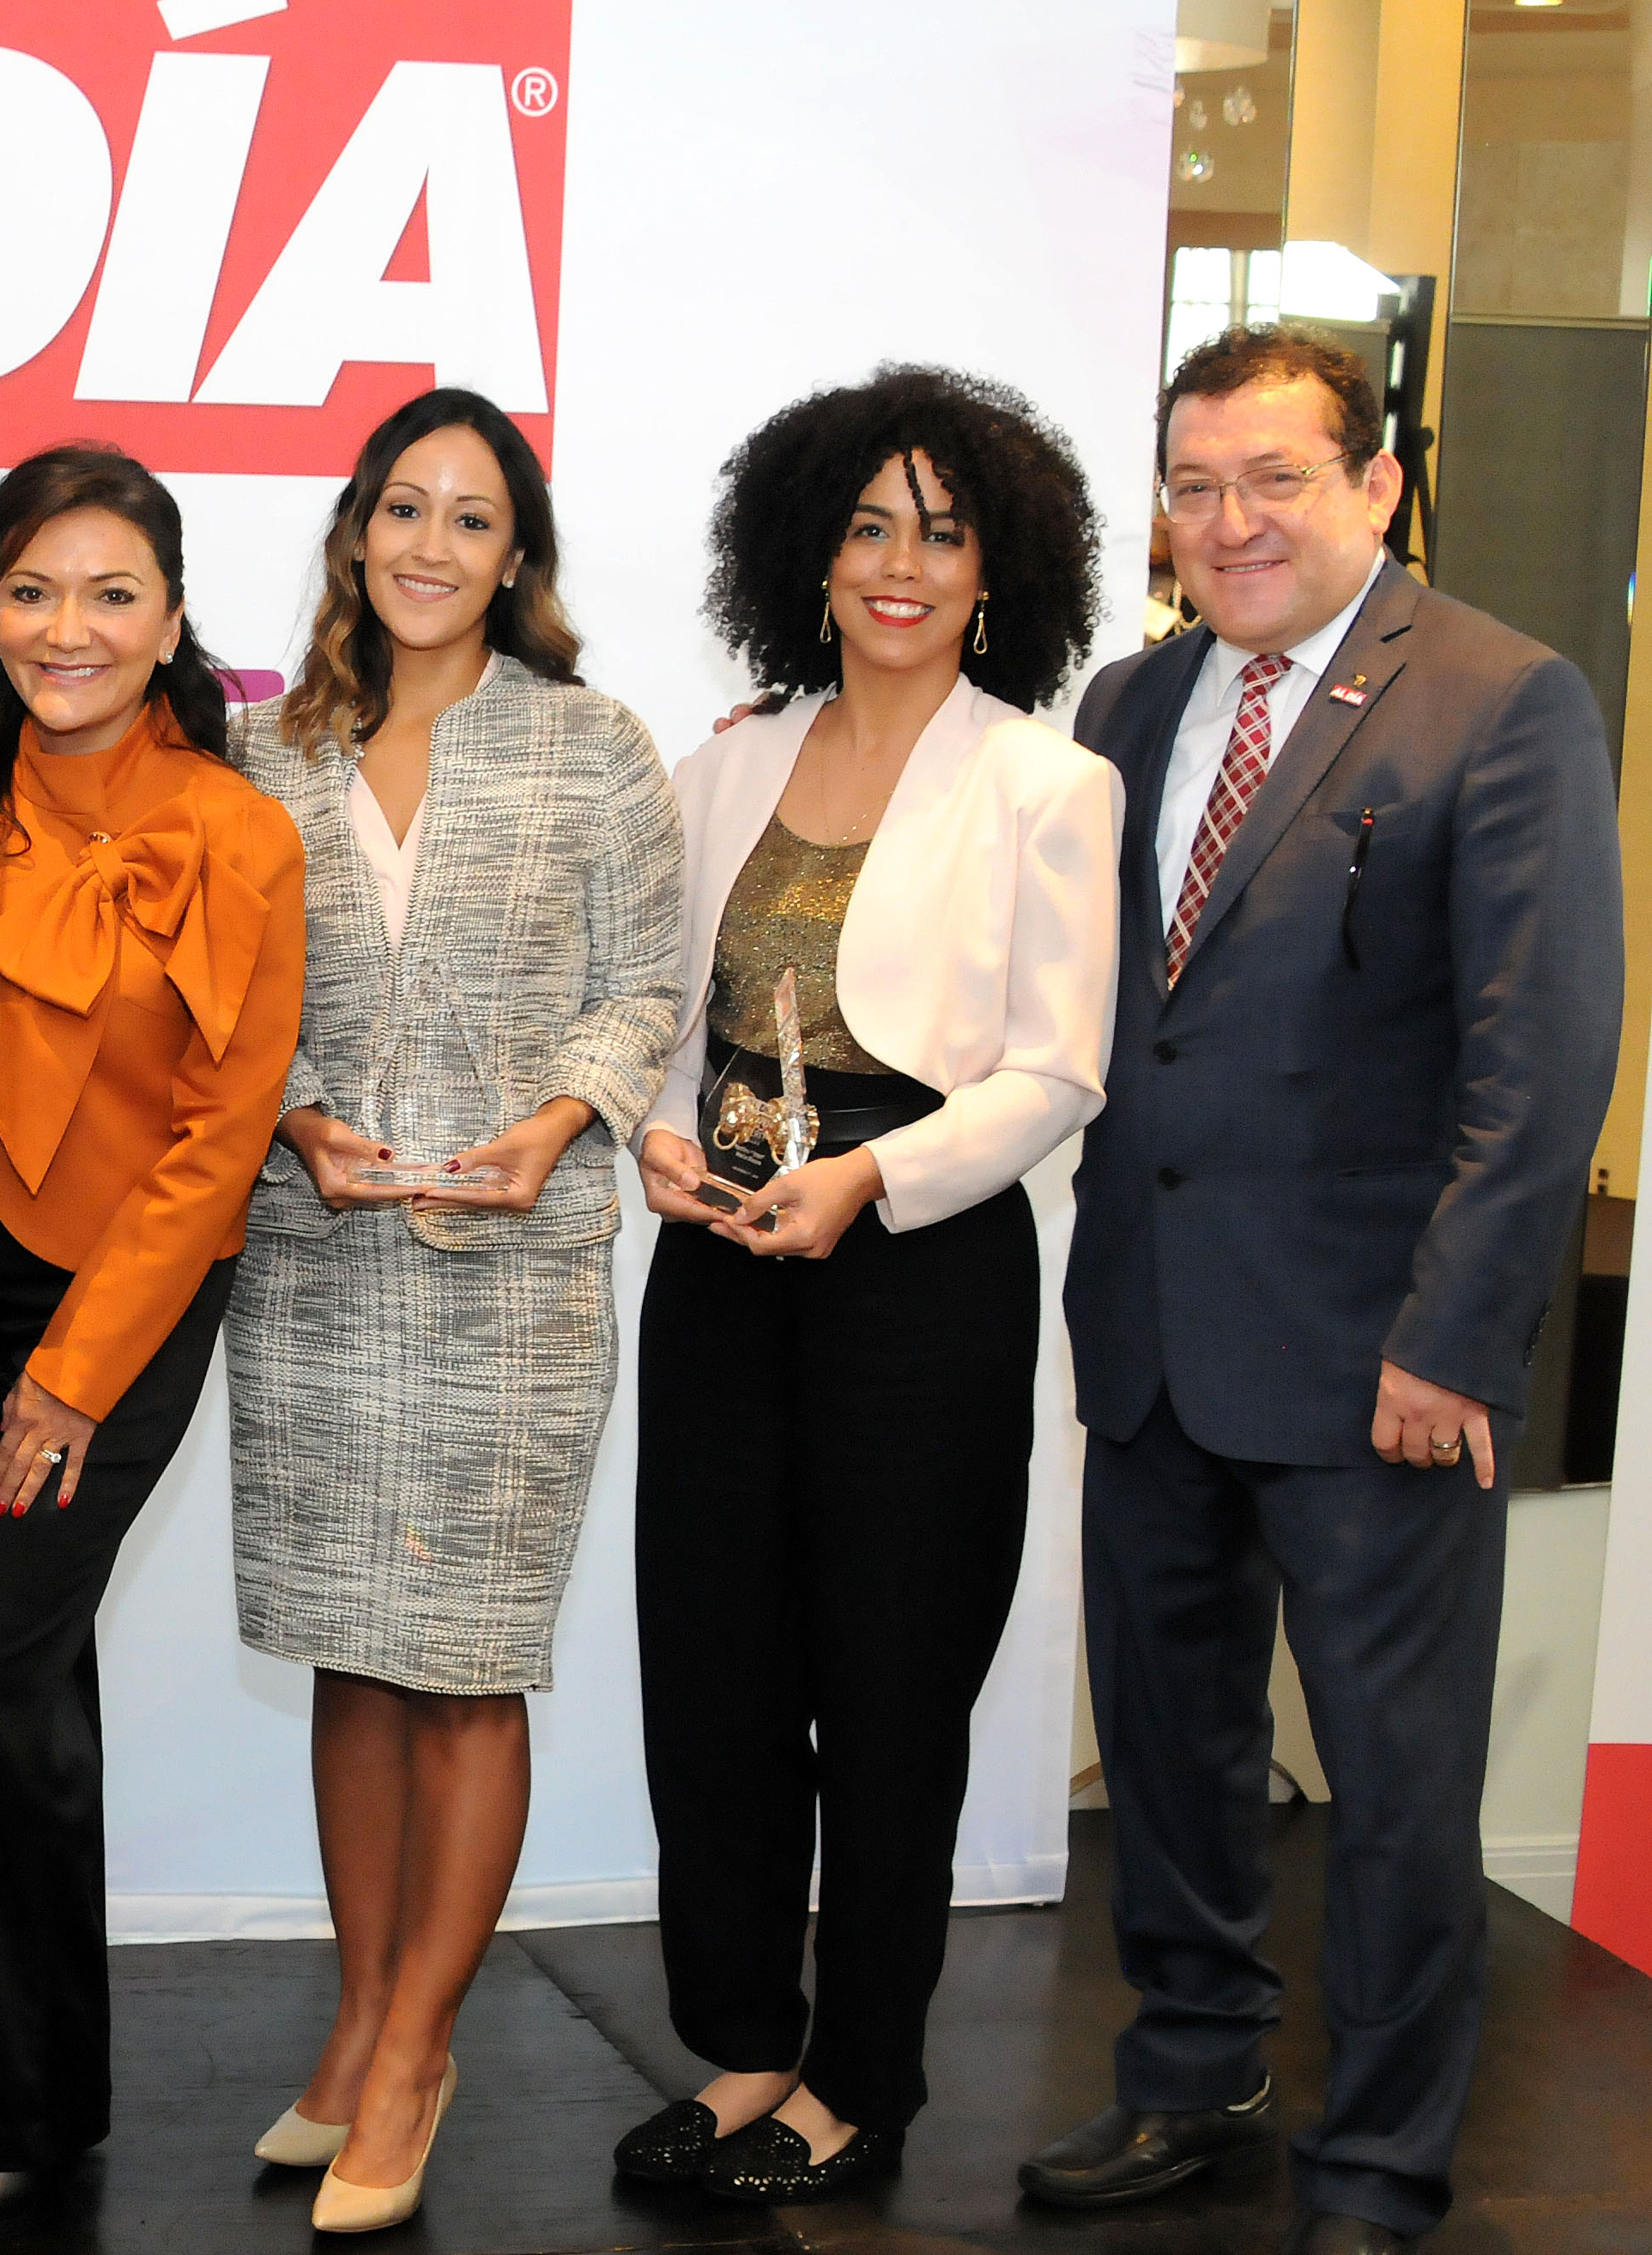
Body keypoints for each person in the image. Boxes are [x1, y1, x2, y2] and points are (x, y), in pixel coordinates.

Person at [1020, 328, 1620, 2255]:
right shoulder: (1123, 703)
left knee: (1386, 1792)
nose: (1227, 518)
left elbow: (1538, 1067)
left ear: (1372, 485)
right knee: (1175, 1757)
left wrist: (1450, 1337)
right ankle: (1191, 2078)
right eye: (1192, 484)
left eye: (1271, 476)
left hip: (1381, 1361)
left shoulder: (1499, 698)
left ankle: (1374, 2161)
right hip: (1152, 1340)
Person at [617, 366, 1119, 2203]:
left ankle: (860, 2077)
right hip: (721, 1274)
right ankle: (745, 2045)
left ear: (998, 570)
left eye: (940, 531)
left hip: (914, 1275)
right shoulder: (727, 755)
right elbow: (666, 1022)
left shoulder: (1044, 779)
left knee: (890, 1689)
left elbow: (1053, 1071)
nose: (897, 566)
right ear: (804, 555)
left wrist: (866, 1179)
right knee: (716, 1677)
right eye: (862, 528)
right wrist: (657, 1144)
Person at [223, 388, 685, 2233]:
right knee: (348, 1644)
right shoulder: (265, 749)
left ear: (517, 554)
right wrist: (301, 1123)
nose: (427, 544)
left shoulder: (588, 747)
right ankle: (352, 2019)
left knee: (464, 1659)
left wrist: (553, 1122)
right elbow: (224, 998)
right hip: (317, 1253)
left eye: (469, 518)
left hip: (512, 1262)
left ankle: (418, 2049)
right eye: (399, 507)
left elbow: (645, 982)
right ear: (356, 531)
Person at [0, 444, 306, 2243]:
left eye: (108, 593)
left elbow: (221, 1136)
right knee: (17, 1677)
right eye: (30, 591)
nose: (66, 629)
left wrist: (74, 1366)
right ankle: (49, 2085)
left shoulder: (234, 823)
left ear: (167, 621)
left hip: (120, 1298)